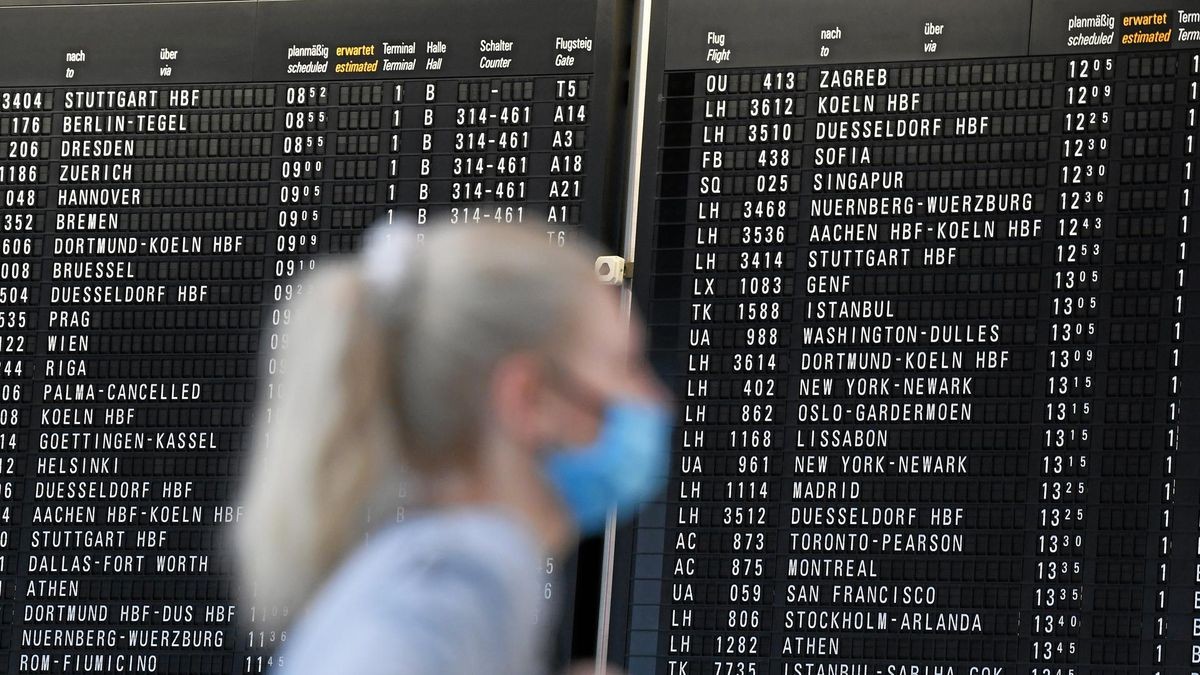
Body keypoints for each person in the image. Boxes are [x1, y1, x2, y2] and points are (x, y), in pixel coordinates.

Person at [234, 217, 673, 675]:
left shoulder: (439, 577)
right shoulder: (457, 585)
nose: (653, 399)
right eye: (625, 366)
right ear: (528, 398)